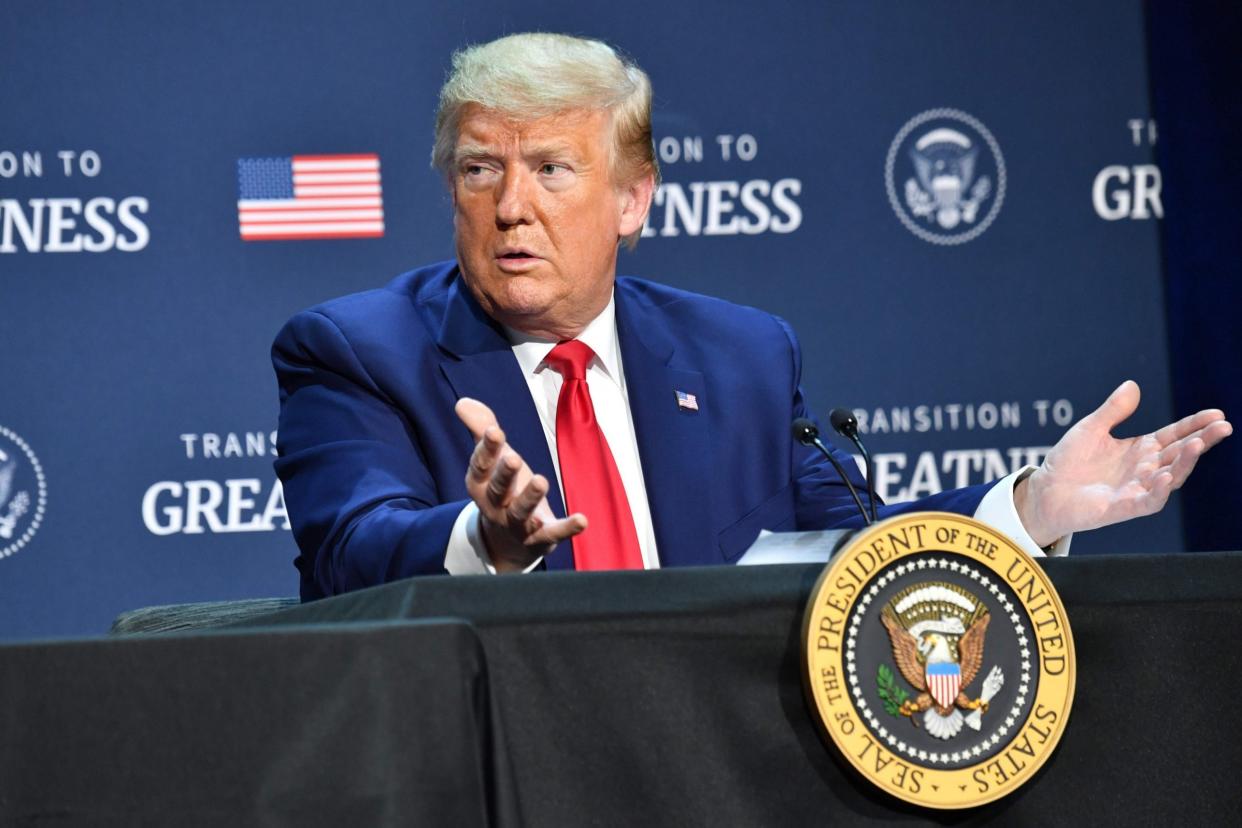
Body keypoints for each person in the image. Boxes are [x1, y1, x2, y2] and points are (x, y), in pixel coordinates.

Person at [272, 33, 1231, 601]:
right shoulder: (359, 351)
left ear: (634, 201)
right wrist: (487, 541)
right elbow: (350, 553)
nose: (511, 205)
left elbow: (848, 549)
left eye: (552, 169)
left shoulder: (742, 355)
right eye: (482, 168)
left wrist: (1028, 512)